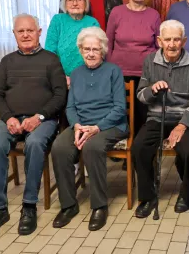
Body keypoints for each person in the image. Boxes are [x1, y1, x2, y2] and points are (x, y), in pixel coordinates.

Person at [0, 14, 67, 238]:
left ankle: (29, 207)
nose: (26, 35)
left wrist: (39, 117)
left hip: (43, 120)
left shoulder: (51, 60)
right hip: (11, 118)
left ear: (40, 32)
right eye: (21, 31)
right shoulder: (7, 61)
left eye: (30, 30)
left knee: (35, 144)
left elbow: (60, 95)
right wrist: (9, 117)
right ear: (14, 35)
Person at [51, 27, 128, 231]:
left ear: (102, 50)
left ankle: (99, 206)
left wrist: (96, 127)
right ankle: (68, 205)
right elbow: (71, 106)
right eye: (87, 49)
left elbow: (120, 108)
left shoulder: (114, 71)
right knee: (59, 147)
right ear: (80, 50)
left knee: (92, 148)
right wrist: (76, 125)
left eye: (95, 49)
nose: (91, 53)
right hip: (81, 124)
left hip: (110, 125)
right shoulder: (75, 74)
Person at [132, 20, 189, 217]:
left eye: (176, 39)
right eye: (168, 39)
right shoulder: (149, 61)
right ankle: (148, 197)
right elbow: (140, 95)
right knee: (139, 147)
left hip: (184, 119)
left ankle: (187, 191)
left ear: (184, 41)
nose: (172, 44)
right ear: (159, 41)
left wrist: (182, 125)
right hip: (156, 117)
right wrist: (152, 90)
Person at [106, 0, 161, 139]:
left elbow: (159, 45)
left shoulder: (154, 15)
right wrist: (109, 69)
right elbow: (108, 42)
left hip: (146, 73)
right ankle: (121, 149)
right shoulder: (117, 12)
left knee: (142, 113)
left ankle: (138, 150)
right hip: (119, 72)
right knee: (120, 111)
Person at [46, 0, 99, 80]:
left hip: (87, 77)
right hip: (60, 77)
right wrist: (61, 76)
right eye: (70, 0)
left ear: (85, 3)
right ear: (64, 3)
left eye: (79, 0)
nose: (75, 3)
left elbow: (97, 52)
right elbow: (50, 51)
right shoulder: (57, 20)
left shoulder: (92, 22)